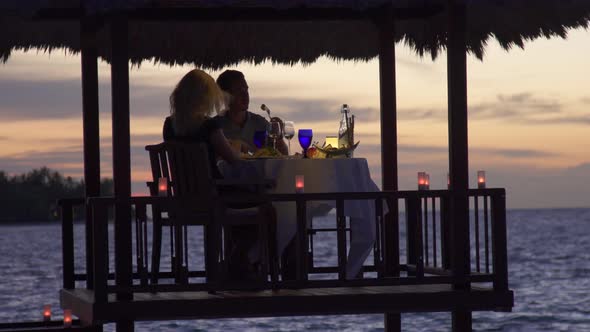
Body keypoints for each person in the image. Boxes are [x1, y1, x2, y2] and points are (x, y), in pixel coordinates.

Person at [163, 69, 273, 281]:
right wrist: (242, 152)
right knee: (266, 207)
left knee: (246, 205)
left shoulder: (170, 125)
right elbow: (234, 160)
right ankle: (239, 261)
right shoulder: (208, 126)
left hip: (184, 198)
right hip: (215, 196)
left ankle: (236, 266)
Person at [215, 70, 289, 155]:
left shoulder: (260, 123)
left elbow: (283, 157)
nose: (245, 94)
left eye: (246, 89)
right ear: (225, 95)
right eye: (238, 90)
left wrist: (279, 137)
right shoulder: (215, 126)